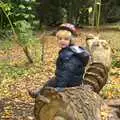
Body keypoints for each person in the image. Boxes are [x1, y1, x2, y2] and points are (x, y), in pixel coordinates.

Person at [28, 23, 90, 98]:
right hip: (74, 80)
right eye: (60, 39)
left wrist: (60, 88)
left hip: (70, 82)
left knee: (53, 86)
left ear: (71, 40)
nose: (62, 41)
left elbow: (66, 73)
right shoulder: (72, 50)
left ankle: (41, 95)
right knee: (51, 81)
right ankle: (39, 93)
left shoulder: (68, 55)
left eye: (66, 39)